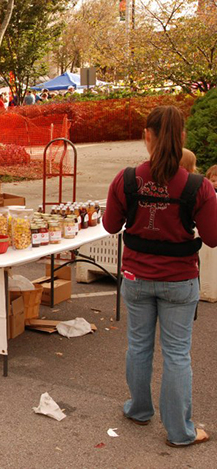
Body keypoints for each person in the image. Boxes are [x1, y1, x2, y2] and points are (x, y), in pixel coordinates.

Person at [103, 105, 217, 447]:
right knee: (177, 353)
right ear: (182, 137)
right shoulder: (197, 186)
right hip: (179, 281)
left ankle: (139, 409)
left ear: (146, 138)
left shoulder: (126, 180)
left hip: (137, 277)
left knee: (138, 345)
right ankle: (179, 431)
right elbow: (213, 237)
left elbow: (110, 225)